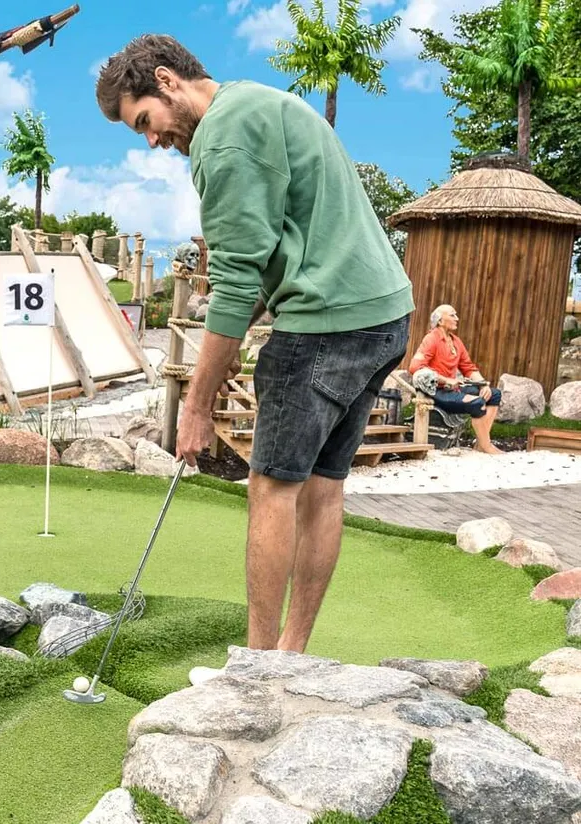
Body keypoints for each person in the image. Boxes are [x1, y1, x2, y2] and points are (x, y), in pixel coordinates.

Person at [94, 36, 414, 677]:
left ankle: (256, 673)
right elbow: (276, 242)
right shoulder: (259, 103)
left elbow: (236, 284)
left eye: (146, 123)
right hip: (384, 313)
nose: (153, 141)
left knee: (271, 488)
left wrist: (197, 405)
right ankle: (290, 659)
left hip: (325, 323)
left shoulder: (226, 134)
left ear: (168, 81)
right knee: (322, 487)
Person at [408, 304, 503, 454]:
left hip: (453, 390)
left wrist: (483, 384)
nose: (457, 318)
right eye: (452, 315)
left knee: (494, 394)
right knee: (477, 403)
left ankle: (481, 444)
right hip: (437, 392)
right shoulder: (431, 339)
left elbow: (468, 367)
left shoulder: (456, 341)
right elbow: (414, 367)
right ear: (440, 321)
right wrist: (446, 380)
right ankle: (487, 447)